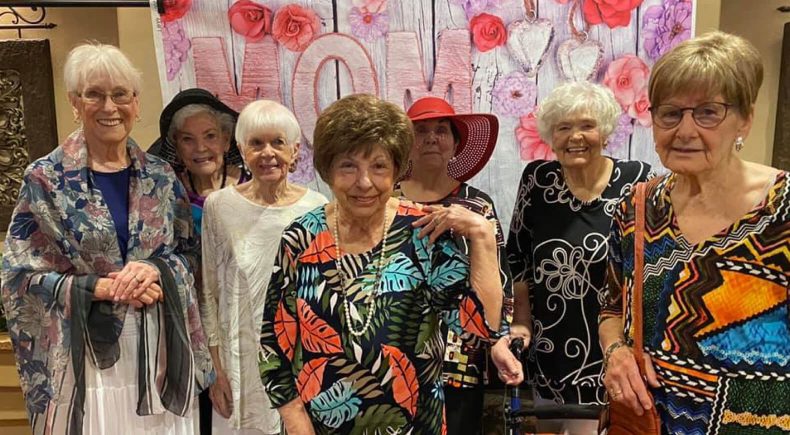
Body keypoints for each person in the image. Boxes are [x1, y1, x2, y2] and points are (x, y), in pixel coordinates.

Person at [259, 94, 504, 434]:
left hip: (416, 425)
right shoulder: (301, 237)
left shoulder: (422, 233)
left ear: (396, 170)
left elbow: (480, 328)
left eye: (378, 166)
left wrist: (483, 238)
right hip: (318, 426)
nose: (364, 183)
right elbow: (273, 339)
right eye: (348, 165)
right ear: (328, 170)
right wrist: (293, 416)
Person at [1, 43, 213, 434]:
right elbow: (18, 277)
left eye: (120, 94)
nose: (109, 107)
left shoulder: (161, 176)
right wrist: (98, 287)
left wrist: (155, 271)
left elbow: (191, 257)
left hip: (159, 347)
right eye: (94, 94)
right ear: (75, 103)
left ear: (136, 102)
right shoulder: (45, 179)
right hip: (85, 358)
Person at [599, 31, 789, 434]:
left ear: (745, 120)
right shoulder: (637, 208)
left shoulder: (783, 209)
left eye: (707, 112)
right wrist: (615, 353)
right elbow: (611, 310)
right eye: (670, 113)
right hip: (644, 424)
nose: (684, 130)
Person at [506, 82, 652, 434]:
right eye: (564, 127)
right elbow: (520, 257)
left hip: (611, 349)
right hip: (548, 345)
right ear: (551, 137)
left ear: (604, 131)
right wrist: (521, 322)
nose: (576, 137)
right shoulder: (537, 180)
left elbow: (649, 267)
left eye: (587, 125)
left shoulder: (637, 181)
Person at [200, 100, 327, 434]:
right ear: (241, 150)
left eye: (278, 142)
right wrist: (216, 372)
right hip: (239, 363)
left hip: (301, 360)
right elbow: (209, 294)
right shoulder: (219, 207)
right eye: (256, 143)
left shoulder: (319, 208)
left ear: (296, 150)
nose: (267, 153)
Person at [398, 96, 520, 435]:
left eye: (441, 130)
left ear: (455, 145)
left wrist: (499, 339)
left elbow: (501, 279)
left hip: (462, 353)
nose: (432, 138)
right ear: (406, 145)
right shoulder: (386, 200)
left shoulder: (477, 204)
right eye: (420, 131)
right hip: (395, 348)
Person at [148, 88, 249, 235]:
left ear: (226, 141)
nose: (200, 148)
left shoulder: (251, 185)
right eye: (187, 139)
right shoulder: (169, 191)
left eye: (210, 136)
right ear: (176, 147)